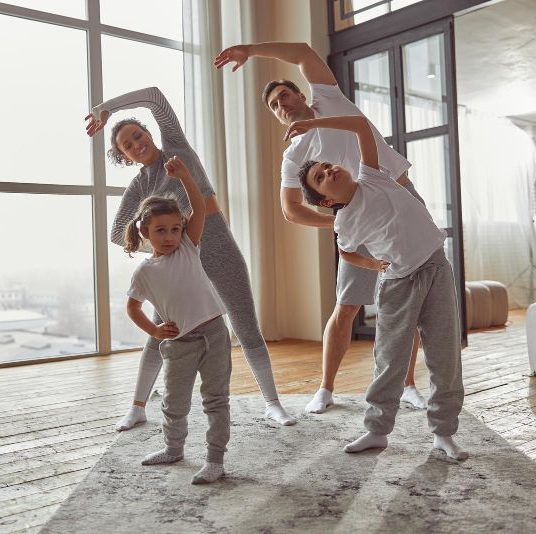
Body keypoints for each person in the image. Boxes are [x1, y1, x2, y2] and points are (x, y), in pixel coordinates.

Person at [214, 41, 428, 412]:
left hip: (401, 204)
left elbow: (301, 52)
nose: (281, 106)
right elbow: (291, 210)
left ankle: (408, 384)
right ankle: (326, 389)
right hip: (360, 225)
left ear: (301, 93)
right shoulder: (294, 154)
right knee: (346, 307)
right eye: (275, 106)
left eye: (284, 96)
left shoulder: (330, 101)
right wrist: (338, 219)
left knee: (408, 304)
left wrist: (249, 50)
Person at [86, 86, 295, 429]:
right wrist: (163, 244)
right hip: (178, 264)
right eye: (128, 145)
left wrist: (105, 108)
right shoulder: (140, 187)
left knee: (246, 327)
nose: (137, 144)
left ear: (148, 133)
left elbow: (154, 97)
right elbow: (116, 233)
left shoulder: (176, 148)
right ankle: (137, 407)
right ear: (125, 156)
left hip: (218, 245)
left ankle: (273, 404)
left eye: (138, 135)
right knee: (161, 332)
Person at [288, 114, 468, 460]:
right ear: (325, 200)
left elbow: (358, 124)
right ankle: (376, 431)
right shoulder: (343, 221)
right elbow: (346, 252)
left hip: (436, 269)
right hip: (398, 283)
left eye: (327, 165)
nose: (330, 171)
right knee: (390, 360)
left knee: (444, 354)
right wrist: (374, 265)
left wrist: (315, 124)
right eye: (321, 177)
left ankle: (444, 433)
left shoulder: (370, 175)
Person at [124, 155, 231, 484]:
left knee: (215, 399)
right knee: (174, 401)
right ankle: (173, 449)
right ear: (145, 232)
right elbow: (132, 307)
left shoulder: (188, 246)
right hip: (178, 343)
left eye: (174, 228)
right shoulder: (144, 271)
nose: (170, 235)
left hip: (214, 334)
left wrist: (184, 174)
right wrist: (155, 330)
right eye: (161, 231)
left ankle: (215, 460)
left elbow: (199, 207)